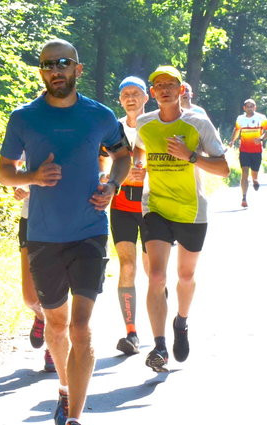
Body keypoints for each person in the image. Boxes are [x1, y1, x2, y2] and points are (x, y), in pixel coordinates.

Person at [0, 39, 131, 425]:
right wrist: (31, 178)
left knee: (80, 325)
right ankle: (62, 387)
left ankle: (74, 422)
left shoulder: (98, 115)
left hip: (89, 231)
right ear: (40, 72)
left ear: (78, 69)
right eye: (47, 65)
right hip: (43, 236)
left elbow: (123, 153)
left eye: (63, 63)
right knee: (56, 324)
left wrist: (112, 184)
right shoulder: (24, 117)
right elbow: (4, 172)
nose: (56, 70)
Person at [133, 66, 229, 372]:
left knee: (185, 277)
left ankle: (181, 322)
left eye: (170, 85)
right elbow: (138, 149)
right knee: (157, 277)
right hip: (155, 207)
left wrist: (190, 156)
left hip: (191, 209)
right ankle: (159, 347)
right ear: (152, 93)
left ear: (180, 90)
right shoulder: (145, 124)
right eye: (158, 85)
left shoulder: (198, 123)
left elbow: (224, 168)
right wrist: (137, 166)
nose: (164, 89)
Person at [99, 76, 150, 356]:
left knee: (154, 272)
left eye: (136, 93)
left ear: (146, 97)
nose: (130, 97)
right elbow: (102, 163)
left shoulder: (155, 125)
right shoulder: (112, 128)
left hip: (153, 206)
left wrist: (148, 170)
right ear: (120, 99)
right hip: (122, 207)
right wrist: (108, 176)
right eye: (125, 94)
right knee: (127, 266)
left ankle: (158, 325)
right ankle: (131, 333)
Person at [14, 186, 55, 372]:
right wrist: (19, 188)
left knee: (57, 293)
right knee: (30, 298)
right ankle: (40, 316)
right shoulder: (28, 154)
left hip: (65, 219)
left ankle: (53, 347)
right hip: (30, 218)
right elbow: (12, 171)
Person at [229, 99, 267, 208]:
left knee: (254, 173)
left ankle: (255, 180)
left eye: (251, 106)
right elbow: (237, 130)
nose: (249, 108)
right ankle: (244, 197)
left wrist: (261, 138)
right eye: (247, 106)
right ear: (244, 108)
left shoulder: (261, 118)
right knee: (244, 173)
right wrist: (232, 141)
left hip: (257, 151)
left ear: (255, 107)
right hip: (244, 150)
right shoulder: (240, 118)